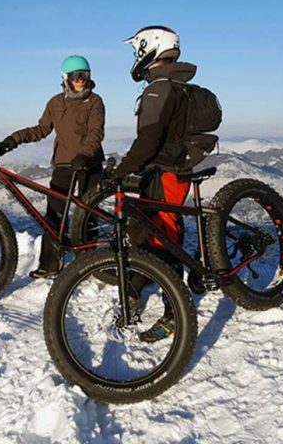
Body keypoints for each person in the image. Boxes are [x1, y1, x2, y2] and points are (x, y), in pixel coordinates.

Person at [109, 26, 200, 341]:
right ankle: (142, 279)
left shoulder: (159, 88)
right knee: (154, 228)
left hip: (165, 171)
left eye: (139, 49)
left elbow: (148, 140)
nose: (136, 56)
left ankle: (175, 313)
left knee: (165, 237)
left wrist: (122, 169)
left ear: (151, 48)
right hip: (171, 168)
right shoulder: (176, 84)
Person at [0, 55, 105, 279]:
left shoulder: (95, 101)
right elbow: (41, 129)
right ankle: (50, 264)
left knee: (87, 214)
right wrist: (13, 139)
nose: (81, 80)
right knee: (54, 215)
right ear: (65, 78)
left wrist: (84, 155)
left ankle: (87, 263)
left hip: (89, 163)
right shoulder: (56, 103)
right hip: (65, 163)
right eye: (76, 76)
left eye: (85, 75)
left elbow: (96, 132)